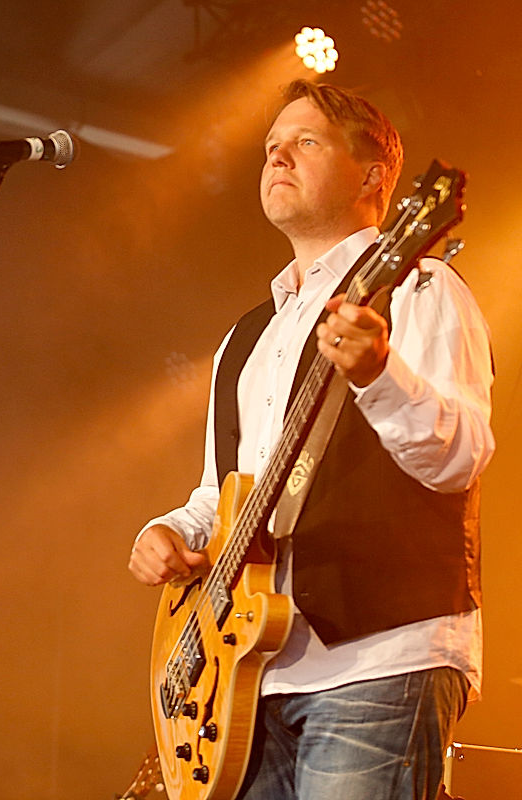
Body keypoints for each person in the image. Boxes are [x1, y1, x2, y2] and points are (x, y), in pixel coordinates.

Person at [128, 80, 493, 799]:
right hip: (247, 678)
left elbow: (460, 457)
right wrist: (166, 531)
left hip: (380, 660)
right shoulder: (246, 337)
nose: (277, 157)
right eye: (271, 146)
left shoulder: (418, 287)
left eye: (305, 142)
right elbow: (221, 494)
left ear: (372, 177)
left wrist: (378, 374)